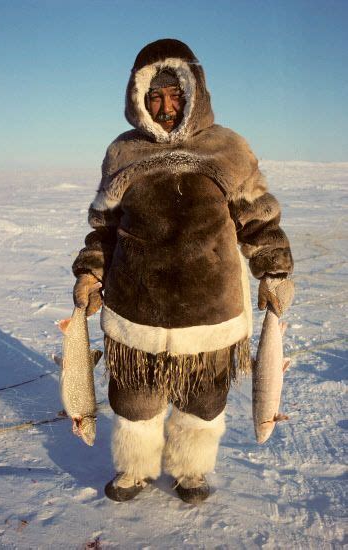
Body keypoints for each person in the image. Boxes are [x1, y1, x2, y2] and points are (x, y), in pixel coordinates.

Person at [72, 38, 294, 504]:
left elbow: (259, 219)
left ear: (195, 93)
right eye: (156, 96)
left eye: (175, 95)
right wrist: (91, 273)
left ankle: (191, 471)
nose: (167, 106)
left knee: (203, 399)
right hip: (136, 308)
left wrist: (273, 271)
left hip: (209, 311)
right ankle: (134, 467)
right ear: (138, 100)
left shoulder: (227, 148)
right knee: (134, 400)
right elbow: (104, 229)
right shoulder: (123, 153)